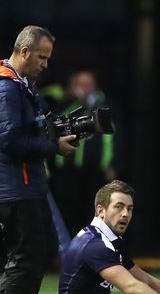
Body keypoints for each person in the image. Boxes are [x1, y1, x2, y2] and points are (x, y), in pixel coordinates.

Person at [0, 26, 78, 294]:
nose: (45, 64)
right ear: (24, 52)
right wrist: (53, 148)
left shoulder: (20, 87)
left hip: (22, 182)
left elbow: (29, 128)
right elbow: (11, 141)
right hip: (12, 184)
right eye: (42, 57)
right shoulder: (4, 90)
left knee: (34, 251)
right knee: (28, 256)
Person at [50, 69, 118, 235]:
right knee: (69, 208)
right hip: (68, 167)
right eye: (80, 84)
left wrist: (112, 165)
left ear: (95, 86)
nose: (85, 88)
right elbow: (56, 126)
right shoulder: (66, 104)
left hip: (96, 168)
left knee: (94, 209)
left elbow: (115, 137)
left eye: (88, 84)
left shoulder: (105, 106)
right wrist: (74, 99)